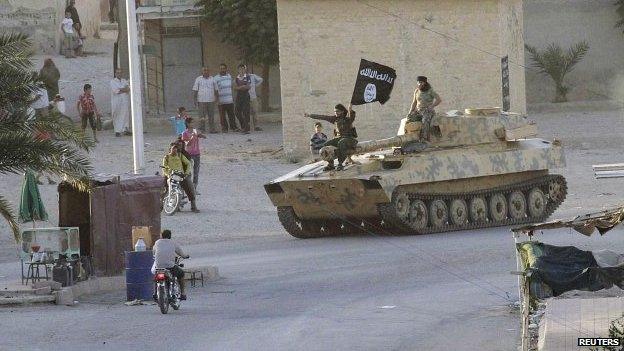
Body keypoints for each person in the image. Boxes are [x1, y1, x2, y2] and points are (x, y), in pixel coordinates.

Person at [305, 104, 357, 171]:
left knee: (341, 142)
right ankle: (331, 164)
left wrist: (350, 108)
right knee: (325, 146)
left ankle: (340, 164)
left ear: (342, 111)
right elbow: (323, 117)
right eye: (335, 111)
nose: (336, 113)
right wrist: (310, 115)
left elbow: (352, 116)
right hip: (339, 138)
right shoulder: (334, 119)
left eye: (337, 111)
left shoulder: (348, 119)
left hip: (349, 139)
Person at [152, 229, 190, 301]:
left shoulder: (157, 242)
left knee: (156, 277)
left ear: (161, 236)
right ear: (170, 236)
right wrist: (186, 256)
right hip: (170, 266)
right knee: (181, 273)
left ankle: (155, 292)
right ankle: (183, 293)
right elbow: (181, 254)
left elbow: (154, 252)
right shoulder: (173, 243)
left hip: (159, 266)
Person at [162, 143, 199, 213]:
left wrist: (186, 173)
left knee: (190, 187)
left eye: (177, 149)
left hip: (181, 174)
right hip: (170, 174)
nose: (175, 150)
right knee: (164, 188)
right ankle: (161, 205)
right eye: (174, 149)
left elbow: (188, 163)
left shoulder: (181, 155)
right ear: (170, 149)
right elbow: (164, 168)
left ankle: (193, 206)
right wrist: (167, 174)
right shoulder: (166, 157)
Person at [407, 76, 442, 141]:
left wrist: (432, 106)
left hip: (427, 111)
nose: (420, 84)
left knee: (425, 121)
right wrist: (410, 112)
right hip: (418, 111)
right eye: (418, 82)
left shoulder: (430, 91)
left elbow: (439, 100)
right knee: (409, 120)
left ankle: (424, 139)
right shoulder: (417, 91)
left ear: (425, 83)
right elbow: (414, 102)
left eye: (421, 82)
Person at [181, 118, 206, 191]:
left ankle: (194, 188)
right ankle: (188, 188)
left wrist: (201, 135)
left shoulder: (195, 131)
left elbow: (202, 136)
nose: (193, 124)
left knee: (196, 171)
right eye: (192, 122)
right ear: (188, 124)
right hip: (189, 154)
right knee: (188, 172)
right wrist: (192, 137)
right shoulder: (184, 133)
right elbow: (187, 144)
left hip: (197, 153)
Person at [214, 63, 239, 133]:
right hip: (221, 101)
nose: (222, 70)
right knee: (222, 116)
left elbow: (231, 87)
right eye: (221, 68)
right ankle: (224, 128)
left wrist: (233, 97)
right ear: (219, 69)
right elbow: (215, 89)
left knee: (231, 115)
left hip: (229, 100)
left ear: (226, 69)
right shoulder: (216, 78)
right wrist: (217, 99)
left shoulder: (229, 76)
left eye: (223, 68)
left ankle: (233, 127)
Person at [192, 67, 217, 133]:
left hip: (211, 100)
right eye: (204, 70)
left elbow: (216, 90)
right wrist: (195, 100)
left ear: (209, 71)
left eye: (207, 70)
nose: (206, 71)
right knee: (202, 116)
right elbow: (195, 90)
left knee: (211, 116)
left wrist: (217, 99)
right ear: (202, 72)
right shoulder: (198, 79)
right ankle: (202, 130)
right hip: (201, 101)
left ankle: (212, 129)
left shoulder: (213, 79)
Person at [111, 68, 131, 137]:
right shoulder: (112, 82)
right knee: (118, 116)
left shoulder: (124, 81)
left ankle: (125, 129)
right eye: (118, 73)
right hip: (117, 102)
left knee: (125, 115)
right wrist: (123, 89)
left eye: (120, 72)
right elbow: (116, 91)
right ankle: (117, 131)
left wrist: (121, 89)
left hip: (125, 101)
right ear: (115, 74)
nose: (119, 74)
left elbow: (128, 89)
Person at [234, 64, 251, 134]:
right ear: (238, 70)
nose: (241, 70)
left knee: (245, 111)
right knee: (237, 111)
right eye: (240, 69)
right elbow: (234, 87)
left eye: (243, 69)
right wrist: (242, 87)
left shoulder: (247, 76)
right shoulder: (237, 78)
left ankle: (246, 128)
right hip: (239, 95)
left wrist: (240, 87)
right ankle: (243, 125)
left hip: (245, 95)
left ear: (245, 69)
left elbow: (248, 87)